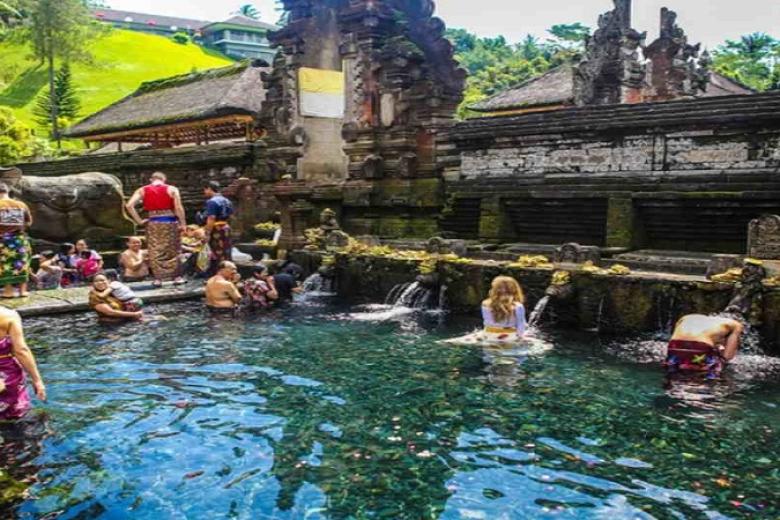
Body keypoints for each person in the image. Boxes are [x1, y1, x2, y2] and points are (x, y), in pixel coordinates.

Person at [125, 172, 186, 286]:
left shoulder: (142, 190)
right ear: (164, 179)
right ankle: (177, 277)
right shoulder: (172, 189)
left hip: (153, 223)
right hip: (170, 222)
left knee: (155, 250)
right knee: (173, 248)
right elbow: (178, 207)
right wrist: (183, 223)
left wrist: (138, 221)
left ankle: (158, 279)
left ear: (151, 179)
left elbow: (129, 205)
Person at [0, 306, 45, 420]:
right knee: (14, 413)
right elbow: (21, 351)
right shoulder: (8, 315)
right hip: (6, 374)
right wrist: (37, 380)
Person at [665, 314, 744, 376]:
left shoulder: (687, 317)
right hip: (701, 346)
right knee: (712, 370)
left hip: (675, 344)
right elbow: (728, 356)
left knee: (674, 371)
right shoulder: (736, 325)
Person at [0, 183, 33, 298]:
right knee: (22, 263)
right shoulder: (21, 204)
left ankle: (8, 291)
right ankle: (22, 291)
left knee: (5, 264)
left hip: (2, 241)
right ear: (7, 191)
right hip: (19, 239)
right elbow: (29, 222)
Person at [200, 181, 234, 275]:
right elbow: (231, 216)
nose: (204, 192)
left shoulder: (211, 202)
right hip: (226, 227)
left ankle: (219, 275)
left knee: (217, 252)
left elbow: (211, 218)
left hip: (216, 229)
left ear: (210, 189)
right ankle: (230, 273)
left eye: (205, 189)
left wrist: (207, 233)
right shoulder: (227, 201)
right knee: (226, 252)